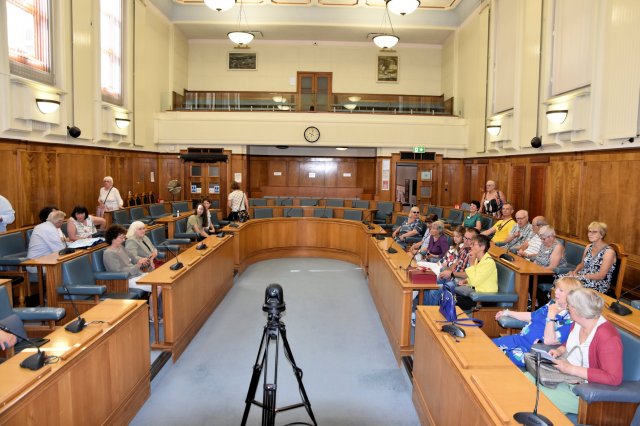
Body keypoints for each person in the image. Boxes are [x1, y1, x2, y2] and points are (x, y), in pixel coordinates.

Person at [492, 277, 582, 367]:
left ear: (571, 296)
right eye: (556, 288)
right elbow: (532, 316)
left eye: (561, 290)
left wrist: (551, 315)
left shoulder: (570, 320)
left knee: (494, 357)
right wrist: (508, 312)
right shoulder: (552, 304)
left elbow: (549, 341)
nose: (556, 292)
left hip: (530, 352)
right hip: (519, 339)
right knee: (487, 346)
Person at [560, 222, 616, 294]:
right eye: (589, 231)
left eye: (594, 232)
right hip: (583, 277)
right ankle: (557, 300)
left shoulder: (609, 252)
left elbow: (601, 276)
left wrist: (580, 276)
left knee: (569, 285)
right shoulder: (588, 247)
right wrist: (575, 272)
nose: (590, 234)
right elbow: (582, 264)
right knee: (560, 278)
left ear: (602, 235)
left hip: (598, 283)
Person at [103, 224, 152, 293]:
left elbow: (134, 258)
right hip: (126, 280)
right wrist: (137, 265)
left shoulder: (121, 247)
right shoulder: (109, 253)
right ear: (113, 238)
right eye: (121, 238)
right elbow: (118, 273)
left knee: (160, 281)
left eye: (124, 237)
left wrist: (142, 260)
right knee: (157, 286)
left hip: (136, 275)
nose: (124, 240)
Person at [456, 234, 498, 309]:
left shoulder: (488, 262)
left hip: (485, 298)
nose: (471, 246)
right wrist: (465, 281)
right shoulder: (478, 259)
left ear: (482, 247)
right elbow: (475, 277)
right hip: (476, 293)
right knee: (452, 294)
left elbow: (475, 281)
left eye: (473, 244)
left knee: (455, 301)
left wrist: (471, 264)